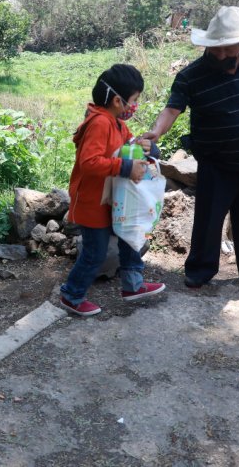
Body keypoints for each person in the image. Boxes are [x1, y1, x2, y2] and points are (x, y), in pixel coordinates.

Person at [141, 6, 239, 293]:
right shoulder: (191, 75)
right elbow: (172, 108)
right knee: (208, 222)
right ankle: (200, 270)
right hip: (215, 165)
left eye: (227, 49)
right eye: (216, 49)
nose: (221, 55)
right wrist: (156, 131)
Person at [59, 64, 166, 317]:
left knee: (131, 236)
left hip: (112, 199)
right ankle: (71, 295)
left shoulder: (116, 123)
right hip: (92, 202)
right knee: (95, 254)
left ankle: (133, 285)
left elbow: (129, 144)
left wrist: (147, 148)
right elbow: (89, 162)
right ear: (118, 100)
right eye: (134, 100)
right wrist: (126, 167)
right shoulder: (99, 123)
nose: (134, 106)